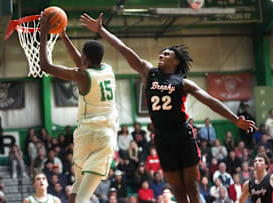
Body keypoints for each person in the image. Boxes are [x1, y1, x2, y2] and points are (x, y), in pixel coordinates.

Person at [80, 12, 257, 203]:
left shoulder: (183, 82)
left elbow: (209, 100)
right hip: (163, 137)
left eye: (167, 54)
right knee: (178, 190)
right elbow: (123, 49)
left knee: (192, 187)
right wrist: (101, 31)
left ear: (176, 61)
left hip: (183, 135)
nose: (161, 55)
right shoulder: (149, 72)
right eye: (161, 53)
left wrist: (235, 120)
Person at [39, 12, 118, 203]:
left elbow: (45, 66)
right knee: (83, 195)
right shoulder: (107, 70)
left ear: (85, 57)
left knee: (77, 187)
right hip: (104, 135)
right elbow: (81, 64)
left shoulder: (84, 76)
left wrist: (43, 34)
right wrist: (63, 36)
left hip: (85, 135)